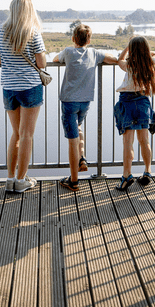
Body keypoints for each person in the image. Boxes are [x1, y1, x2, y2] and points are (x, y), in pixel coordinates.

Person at [53, 24, 117, 192]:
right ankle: (82, 158)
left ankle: (73, 181)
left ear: (73, 38)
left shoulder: (68, 52)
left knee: (72, 140)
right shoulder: (94, 53)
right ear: (89, 40)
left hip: (69, 102)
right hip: (85, 103)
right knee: (78, 126)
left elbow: (54, 60)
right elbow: (113, 59)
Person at [0, 0, 47, 193]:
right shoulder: (33, 32)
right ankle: (21, 180)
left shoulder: (1, 31)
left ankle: (10, 179)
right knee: (27, 135)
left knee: (16, 134)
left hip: (8, 87)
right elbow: (42, 64)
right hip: (30, 88)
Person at [113, 36, 155, 191]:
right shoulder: (150, 63)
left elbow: (119, 59)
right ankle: (147, 171)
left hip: (127, 102)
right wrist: (148, 52)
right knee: (144, 141)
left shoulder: (128, 65)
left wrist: (127, 47)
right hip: (142, 101)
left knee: (128, 142)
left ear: (131, 50)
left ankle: (127, 176)